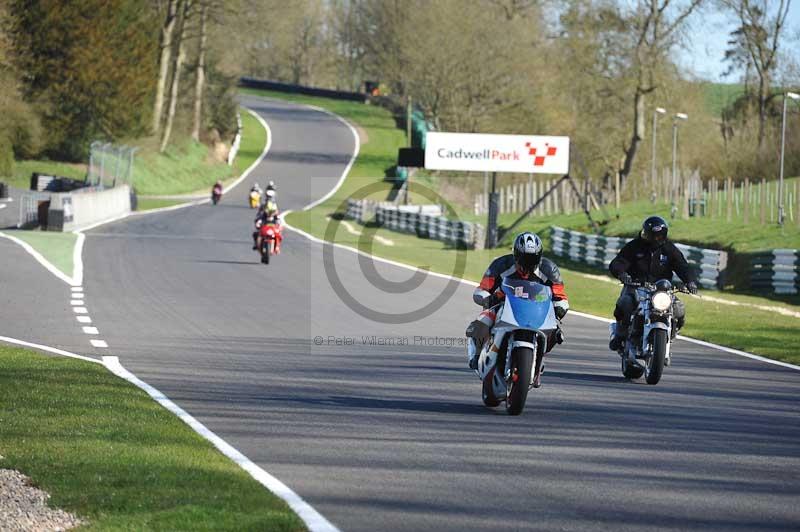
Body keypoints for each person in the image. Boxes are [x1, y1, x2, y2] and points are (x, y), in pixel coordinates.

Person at [465, 232, 568, 388]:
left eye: (532, 258)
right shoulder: (500, 265)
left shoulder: (549, 269)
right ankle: (477, 354)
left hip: (537, 310)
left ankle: (538, 361)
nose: (527, 263)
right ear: (516, 255)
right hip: (503, 305)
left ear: (539, 256)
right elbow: (482, 289)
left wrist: (560, 307)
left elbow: (560, 296)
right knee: (482, 321)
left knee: (556, 330)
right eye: (524, 258)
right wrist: (488, 298)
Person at [608, 216, 698, 351]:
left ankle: (672, 333)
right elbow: (618, 263)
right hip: (636, 287)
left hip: (662, 290)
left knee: (679, 308)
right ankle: (620, 335)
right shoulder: (634, 246)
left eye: (659, 235)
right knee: (625, 303)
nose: (655, 238)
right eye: (652, 235)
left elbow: (682, 266)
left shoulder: (669, 249)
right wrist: (622, 275)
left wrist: (690, 281)